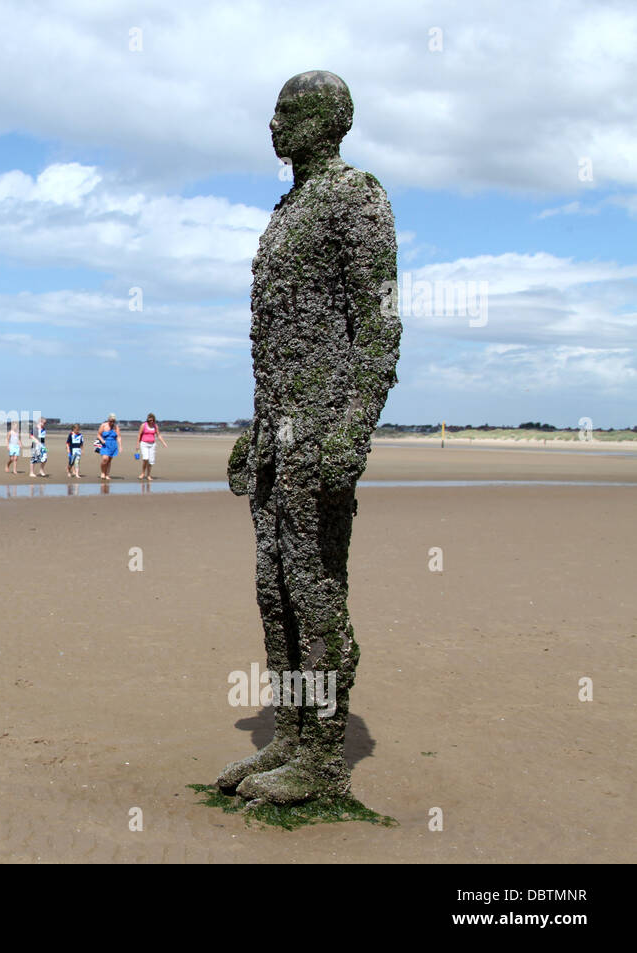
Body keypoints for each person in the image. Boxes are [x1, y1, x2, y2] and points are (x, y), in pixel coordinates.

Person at [216, 70, 401, 806]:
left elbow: (380, 324)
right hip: (276, 439)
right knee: (275, 590)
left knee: (317, 590)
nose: (273, 124)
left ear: (329, 122)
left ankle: (325, 758)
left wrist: (353, 428)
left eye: (288, 112)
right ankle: (290, 736)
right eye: (273, 111)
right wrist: (253, 430)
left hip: (321, 437)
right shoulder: (288, 209)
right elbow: (281, 344)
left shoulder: (357, 197)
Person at [137, 413, 166, 480]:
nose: (151, 421)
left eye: (152, 420)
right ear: (147, 420)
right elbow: (139, 435)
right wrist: (137, 444)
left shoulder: (155, 426)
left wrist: (163, 443)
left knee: (151, 461)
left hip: (152, 444)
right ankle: (143, 473)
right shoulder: (143, 425)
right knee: (145, 458)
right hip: (144, 444)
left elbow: (158, 435)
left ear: (154, 420)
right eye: (149, 420)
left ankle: (148, 475)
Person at [96, 414, 121, 480]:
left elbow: (118, 437)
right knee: (105, 459)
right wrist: (102, 440)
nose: (112, 423)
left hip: (113, 444)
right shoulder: (103, 425)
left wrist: (120, 446)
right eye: (111, 421)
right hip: (105, 444)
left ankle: (107, 474)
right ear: (108, 420)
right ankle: (102, 472)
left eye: (113, 421)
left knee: (109, 461)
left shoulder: (116, 427)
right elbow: (98, 434)